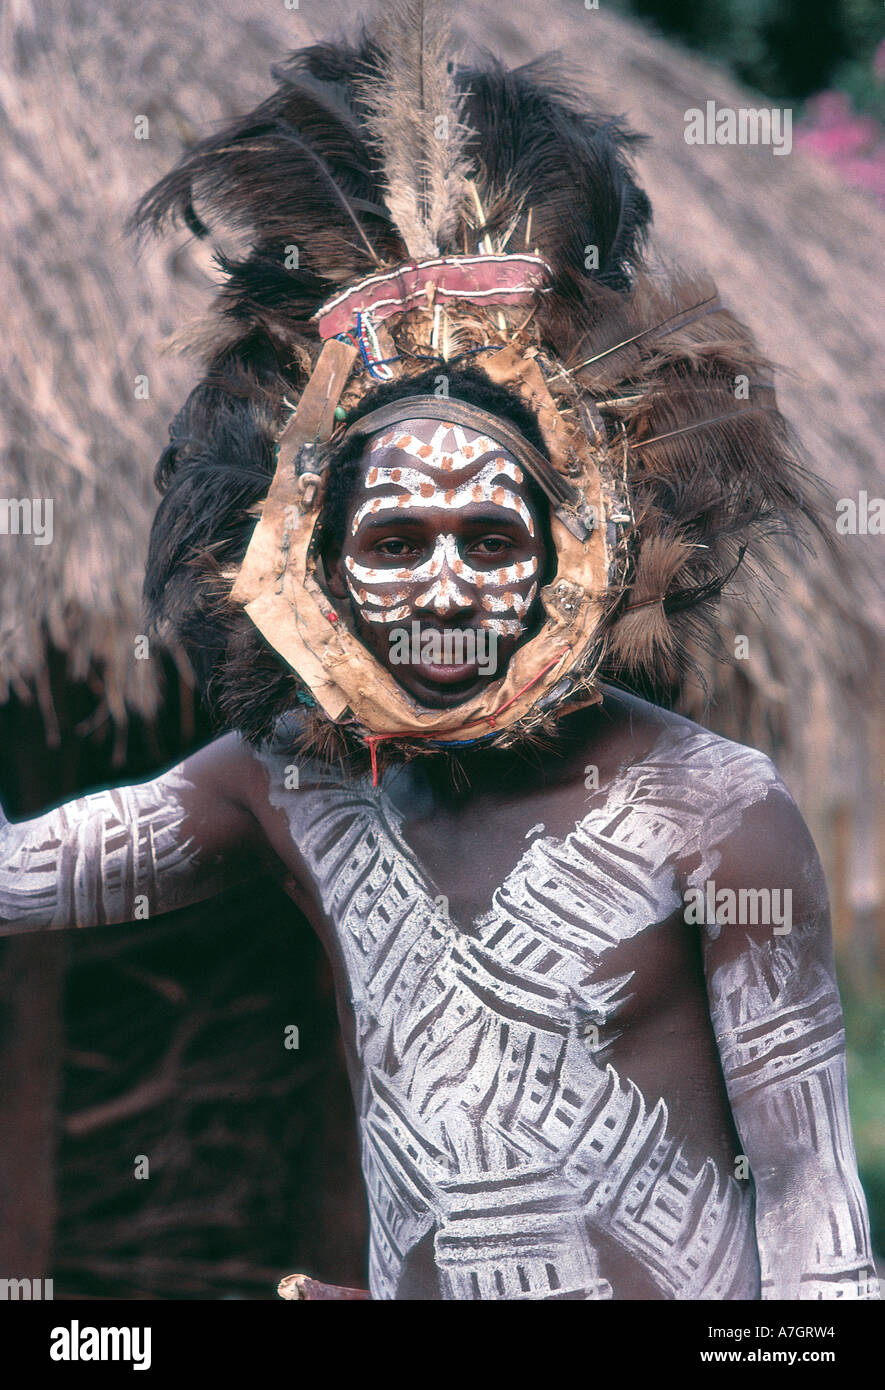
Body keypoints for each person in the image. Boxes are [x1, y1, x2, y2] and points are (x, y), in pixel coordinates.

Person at [0, 0, 879, 1300]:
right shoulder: (291, 786)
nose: (447, 578)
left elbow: (811, 1198)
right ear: (320, 565)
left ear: (568, 552)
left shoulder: (714, 811)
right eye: (395, 537)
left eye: (489, 529)